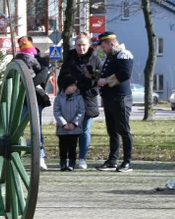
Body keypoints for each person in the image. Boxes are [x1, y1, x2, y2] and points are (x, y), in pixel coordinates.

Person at [57, 32, 100, 169]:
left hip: (87, 99)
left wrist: (91, 91)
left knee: (85, 130)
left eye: (83, 45)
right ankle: (68, 160)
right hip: (70, 99)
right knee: (69, 131)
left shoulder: (95, 59)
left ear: (89, 45)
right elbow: (62, 77)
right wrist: (66, 89)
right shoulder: (69, 58)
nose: (81, 48)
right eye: (78, 45)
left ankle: (82, 158)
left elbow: (99, 80)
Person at [96, 31, 134, 172]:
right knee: (112, 131)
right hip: (109, 98)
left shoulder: (124, 55)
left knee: (123, 130)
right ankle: (112, 160)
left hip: (121, 98)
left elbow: (124, 74)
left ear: (111, 44)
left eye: (104, 46)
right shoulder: (111, 56)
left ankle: (127, 161)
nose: (103, 49)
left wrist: (106, 81)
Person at [15, 37, 51, 170]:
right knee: (19, 129)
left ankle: (40, 157)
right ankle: (18, 154)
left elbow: (41, 77)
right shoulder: (17, 59)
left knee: (37, 129)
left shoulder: (42, 60)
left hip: (36, 97)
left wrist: (27, 84)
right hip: (21, 99)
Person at [53, 80, 85, 170]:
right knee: (62, 147)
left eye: (75, 86)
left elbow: (81, 112)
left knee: (72, 147)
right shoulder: (58, 98)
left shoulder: (79, 98)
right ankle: (63, 163)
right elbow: (57, 112)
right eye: (71, 85)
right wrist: (63, 124)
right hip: (62, 129)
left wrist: (74, 124)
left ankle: (72, 163)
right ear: (65, 86)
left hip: (74, 129)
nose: (74, 88)